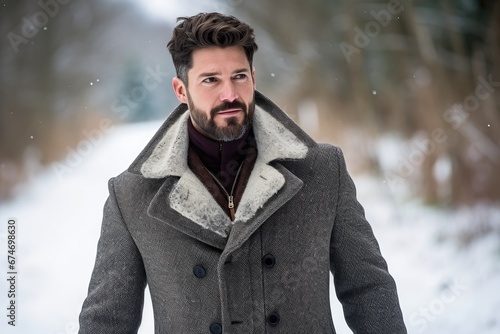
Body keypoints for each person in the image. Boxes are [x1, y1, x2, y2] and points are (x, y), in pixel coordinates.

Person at [78, 12, 407, 334]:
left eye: (239, 76)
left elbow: (367, 286)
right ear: (181, 90)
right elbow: (107, 321)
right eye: (211, 80)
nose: (230, 95)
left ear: (253, 76)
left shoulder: (321, 170)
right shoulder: (132, 195)